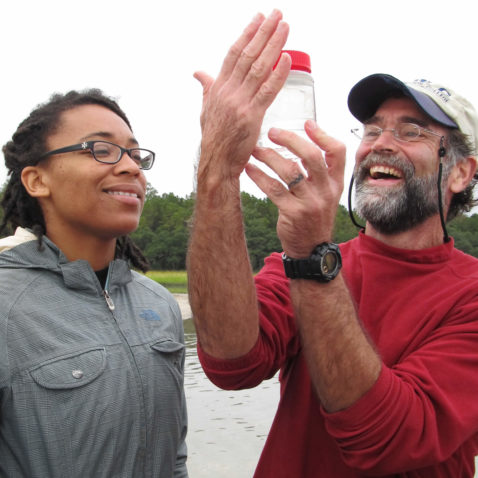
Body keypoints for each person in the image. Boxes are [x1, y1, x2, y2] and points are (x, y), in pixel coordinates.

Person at [187, 9, 478, 478]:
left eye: (411, 131)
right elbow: (230, 365)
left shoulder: (470, 293)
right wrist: (217, 172)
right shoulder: (298, 263)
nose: (381, 143)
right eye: (372, 129)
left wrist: (310, 255)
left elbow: (387, 440)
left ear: (462, 172)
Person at [0, 90, 188, 477]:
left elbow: (176, 455)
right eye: (101, 149)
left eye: (135, 155)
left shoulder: (159, 302)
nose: (131, 168)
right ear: (37, 180)